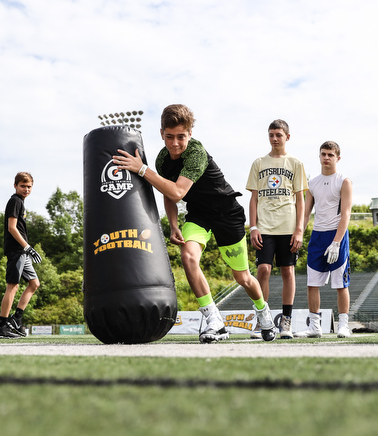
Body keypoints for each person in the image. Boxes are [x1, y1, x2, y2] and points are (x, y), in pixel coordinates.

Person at [112, 104, 277, 343]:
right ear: (161, 134)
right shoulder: (162, 159)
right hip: (199, 216)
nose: (175, 143)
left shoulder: (196, 153)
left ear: (190, 134)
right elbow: (166, 192)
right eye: (169, 137)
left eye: (181, 137)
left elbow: (178, 191)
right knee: (188, 257)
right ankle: (214, 320)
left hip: (227, 214)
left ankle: (263, 312)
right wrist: (174, 224)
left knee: (243, 278)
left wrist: (142, 170)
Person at [245, 119, 308, 340]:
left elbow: (301, 200)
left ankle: (286, 322)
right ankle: (263, 320)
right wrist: (253, 226)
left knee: (287, 272)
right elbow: (253, 199)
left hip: (288, 227)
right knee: (263, 270)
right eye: (271, 134)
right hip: (264, 227)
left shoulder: (296, 163)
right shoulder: (258, 163)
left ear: (287, 137)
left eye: (278, 135)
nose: (274, 138)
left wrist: (299, 230)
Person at [295, 141, 353, 338]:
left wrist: (337, 242)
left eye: (330, 154)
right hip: (318, 236)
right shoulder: (312, 183)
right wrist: (299, 232)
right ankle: (315, 327)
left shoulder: (343, 181)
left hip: (337, 235)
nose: (326, 158)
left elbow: (346, 215)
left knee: (340, 284)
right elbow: (305, 213)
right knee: (312, 283)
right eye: (323, 154)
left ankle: (344, 325)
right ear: (319, 156)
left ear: (338, 157)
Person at [0, 172, 42, 339]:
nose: (26, 189)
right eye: (23, 186)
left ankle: (16, 319)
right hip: (17, 250)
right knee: (12, 286)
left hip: (22, 251)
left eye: (29, 186)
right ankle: (2, 326)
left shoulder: (21, 202)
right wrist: (27, 247)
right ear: (15, 186)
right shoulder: (15, 200)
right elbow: (12, 228)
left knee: (34, 283)